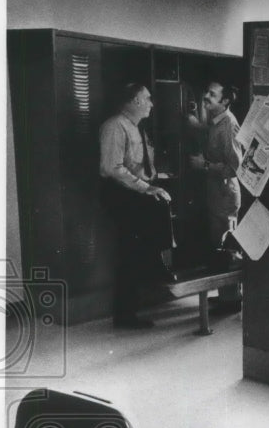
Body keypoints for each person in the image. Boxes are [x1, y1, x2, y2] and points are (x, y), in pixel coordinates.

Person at [99, 83, 174, 329]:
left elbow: (138, 165)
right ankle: (125, 315)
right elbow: (112, 168)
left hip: (134, 192)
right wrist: (146, 187)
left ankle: (155, 267)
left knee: (140, 245)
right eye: (147, 98)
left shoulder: (135, 128)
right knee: (128, 255)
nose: (151, 103)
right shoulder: (115, 127)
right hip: (121, 195)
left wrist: (154, 180)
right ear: (135, 101)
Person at [189, 82, 243, 311]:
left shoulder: (228, 124)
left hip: (224, 194)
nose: (206, 96)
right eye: (207, 91)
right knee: (218, 245)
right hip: (216, 193)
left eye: (212, 94)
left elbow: (235, 167)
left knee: (226, 248)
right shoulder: (215, 122)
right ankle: (226, 297)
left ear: (225, 101)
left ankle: (231, 301)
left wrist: (205, 165)